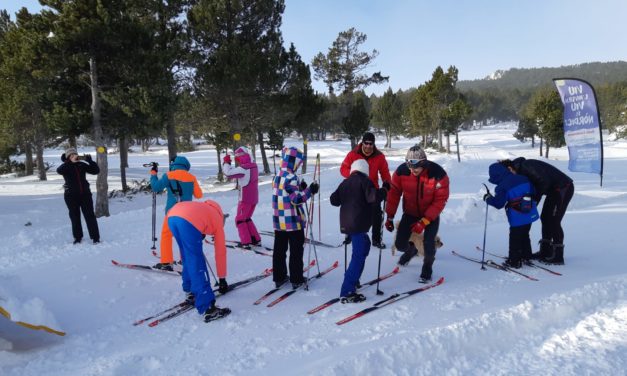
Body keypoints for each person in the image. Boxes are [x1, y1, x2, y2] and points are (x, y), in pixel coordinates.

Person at [385, 145, 449, 283]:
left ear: (424, 163)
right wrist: (389, 216)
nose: (412, 170)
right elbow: (394, 194)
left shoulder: (438, 174)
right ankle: (411, 250)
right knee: (400, 244)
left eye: (416, 167)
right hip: (410, 213)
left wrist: (424, 221)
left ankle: (427, 268)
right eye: (409, 166)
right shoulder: (401, 172)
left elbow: (440, 200)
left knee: (428, 243)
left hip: (430, 215)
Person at [330, 159, 388, 303]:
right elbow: (373, 198)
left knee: (364, 247)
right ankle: (347, 290)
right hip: (358, 225)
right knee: (358, 256)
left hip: (346, 225)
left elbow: (333, 200)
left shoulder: (345, 182)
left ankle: (353, 279)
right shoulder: (364, 181)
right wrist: (385, 190)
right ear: (365, 170)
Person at [166, 200, 230, 322]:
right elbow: (220, 252)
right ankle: (208, 307)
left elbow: (195, 216)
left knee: (187, 256)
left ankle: (190, 290)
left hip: (172, 217)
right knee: (197, 262)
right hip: (187, 221)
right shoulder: (217, 220)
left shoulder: (206, 208)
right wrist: (222, 279)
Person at [501, 158, 574, 265]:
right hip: (553, 191)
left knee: (554, 221)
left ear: (510, 168)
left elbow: (544, 182)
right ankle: (545, 251)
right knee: (545, 218)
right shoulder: (522, 170)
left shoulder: (527, 165)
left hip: (563, 188)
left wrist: (534, 200)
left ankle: (558, 256)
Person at [271, 147, 319, 289]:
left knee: (279, 250)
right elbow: (296, 199)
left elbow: (287, 194)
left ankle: (279, 277)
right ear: (294, 161)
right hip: (292, 221)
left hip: (279, 220)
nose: (299, 165)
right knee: (296, 250)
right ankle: (296, 278)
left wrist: (301, 188)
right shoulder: (291, 177)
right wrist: (310, 190)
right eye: (298, 162)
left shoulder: (278, 175)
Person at [150, 156, 203, 271]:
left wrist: (153, 174)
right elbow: (199, 195)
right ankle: (185, 260)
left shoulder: (169, 175)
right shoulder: (191, 177)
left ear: (174, 165)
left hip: (172, 212)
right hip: (188, 214)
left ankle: (166, 262)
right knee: (184, 236)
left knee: (166, 235)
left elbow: (155, 187)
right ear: (186, 166)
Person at [340, 132, 391, 248]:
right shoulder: (353, 154)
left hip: (372, 189)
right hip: (355, 188)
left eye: (371, 144)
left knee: (376, 214)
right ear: (362, 142)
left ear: (374, 144)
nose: (368, 146)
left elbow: (385, 172)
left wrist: (387, 183)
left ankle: (376, 239)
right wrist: (353, 175)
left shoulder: (380, 156)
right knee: (353, 213)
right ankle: (349, 235)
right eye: (366, 143)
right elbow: (343, 168)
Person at [484, 162, 540, 268]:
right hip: (529, 213)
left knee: (515, 238)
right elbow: (535, 192)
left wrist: (488, 199)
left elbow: (498, 203)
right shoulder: (523, 178)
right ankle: (526, 256)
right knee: (525, 234)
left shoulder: (501, 187)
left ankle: (514, 261)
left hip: (517, 216)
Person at [57, 148, 101, 244]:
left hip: (85, 195)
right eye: (71, 155)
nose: (74, 157)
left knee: (90, 216)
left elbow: (96, 171)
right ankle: (78, 237)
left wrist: (90, 162)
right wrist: (68, 162)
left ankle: (95, 238)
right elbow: (59, 170)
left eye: (75, 155)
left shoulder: (81, 165)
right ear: (68, 157)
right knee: (75, 216)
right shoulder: (66, 166)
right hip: (71, 196)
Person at [222, 146, 261, 248]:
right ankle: (255, 239)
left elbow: (228, 173)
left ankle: (246, 242)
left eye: (238, 158)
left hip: (245, 199)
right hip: (254, 198)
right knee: (247, 218)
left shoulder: (244, 169)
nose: (238, 161)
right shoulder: (254, 165)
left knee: (239, 220)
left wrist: (226, 162)